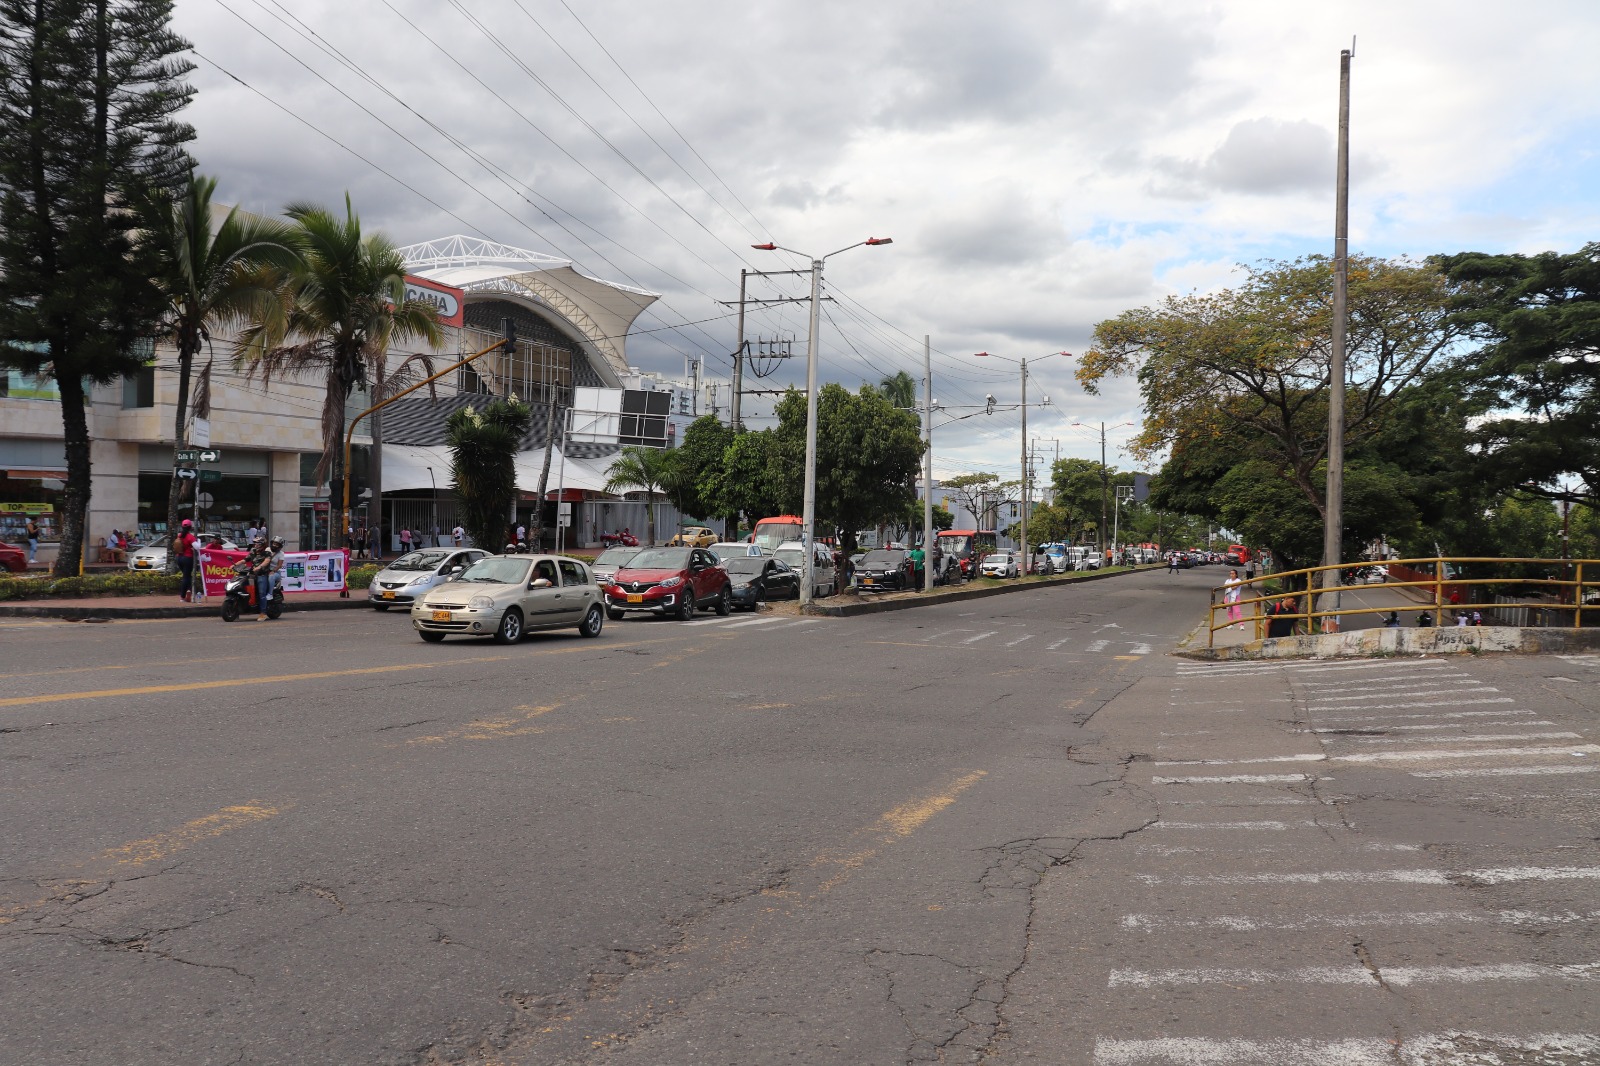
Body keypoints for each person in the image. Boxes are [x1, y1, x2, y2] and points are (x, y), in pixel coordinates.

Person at [175, 519, 198, 601]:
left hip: (179, 558)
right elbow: (197, 547)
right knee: (186, 577)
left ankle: (191, 593)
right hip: (187, 558)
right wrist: (198, 541)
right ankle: (183, 596)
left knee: (187, 576)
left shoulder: (179, 536)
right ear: (190, 527)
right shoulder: (190, 537)